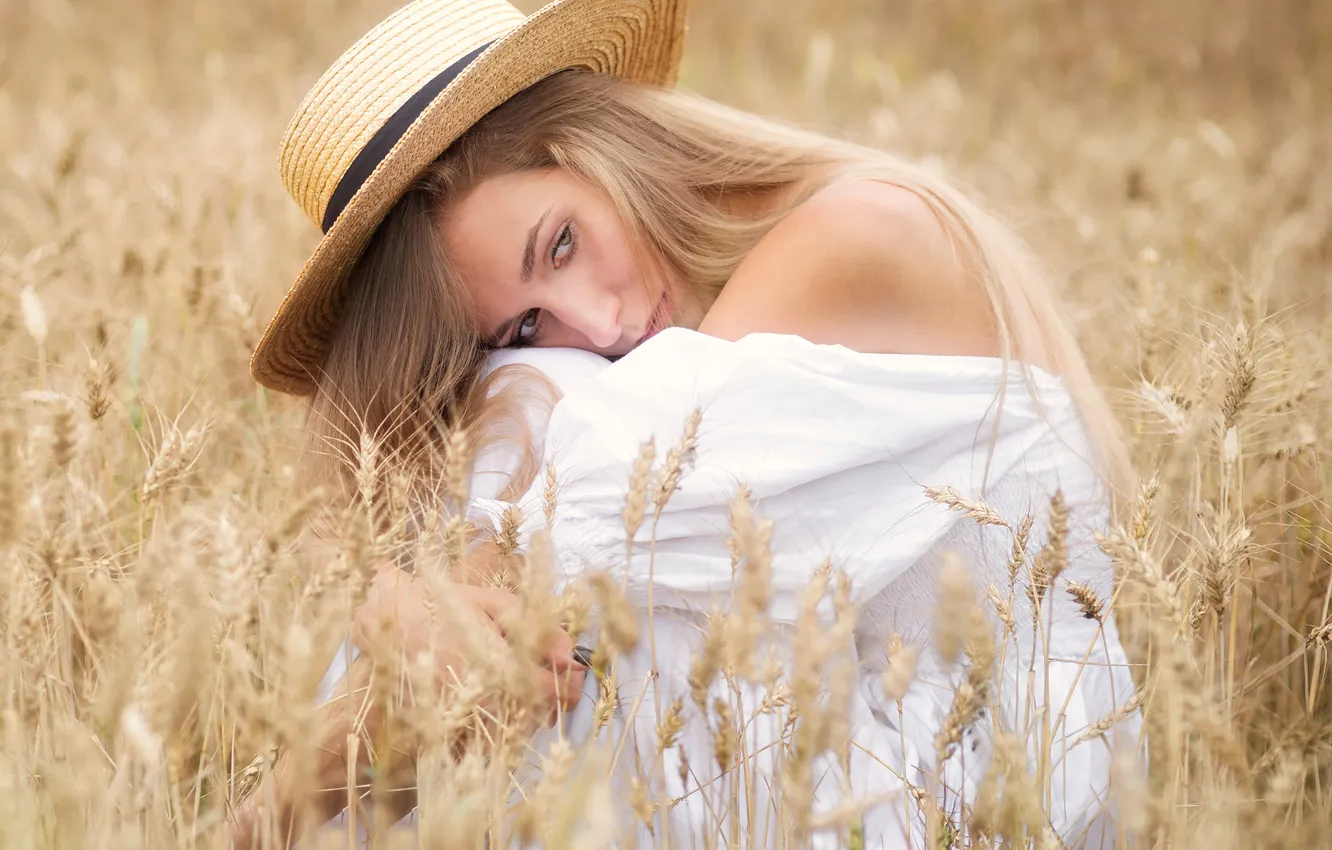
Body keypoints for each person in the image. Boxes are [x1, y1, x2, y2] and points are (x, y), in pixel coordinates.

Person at [235, 0, 1141, 845]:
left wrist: (384, 610)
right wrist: (388, 594)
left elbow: (505, 606)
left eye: (561, 242)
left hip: (973, 799)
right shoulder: (678, 320)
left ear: (600, 143)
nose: (596, 320)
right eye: (523, 314)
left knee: (533, 466)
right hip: (864, 757)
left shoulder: (853, 237)